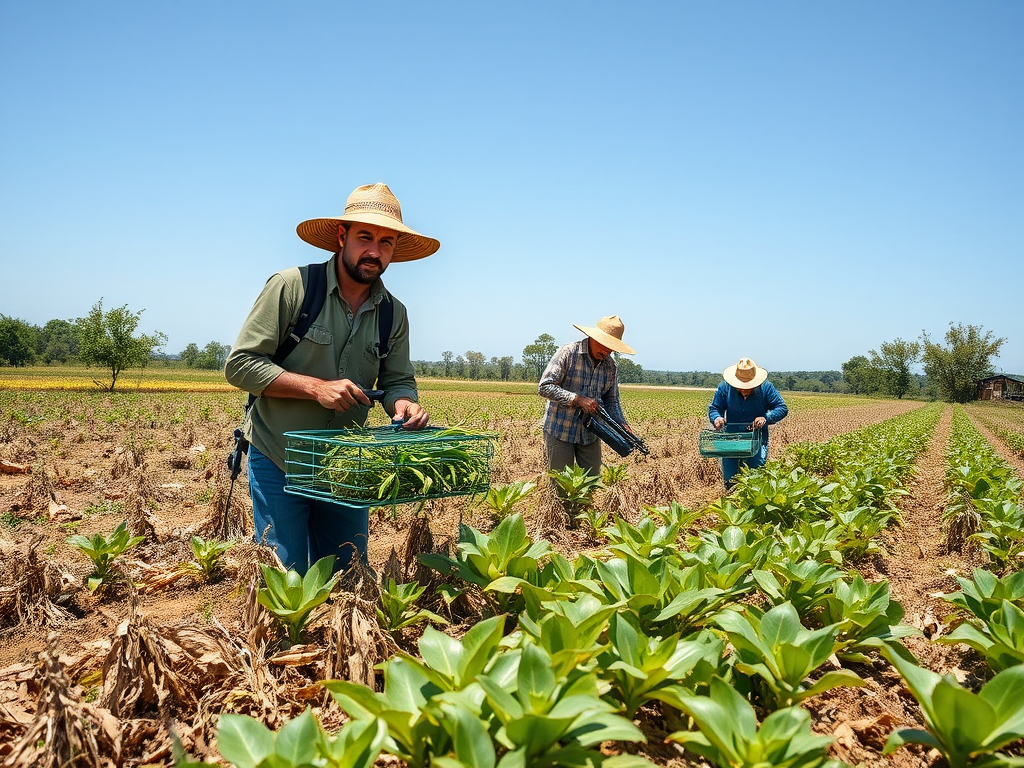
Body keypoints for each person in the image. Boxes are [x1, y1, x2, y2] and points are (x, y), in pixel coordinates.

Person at [225, 183, 437, 575]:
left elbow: (398, 380)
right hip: (278, 457)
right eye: (365, 237)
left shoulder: (394, 313)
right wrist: (315, 388)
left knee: (349, 572)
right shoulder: (293, 287)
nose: (375, 250)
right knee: (286, 576)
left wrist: (404, 402)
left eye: (387, 242)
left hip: (344, 463)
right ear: (341, 237)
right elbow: (240, 365)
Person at [538, 316, 636, 482]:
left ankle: (584, 509)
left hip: (590, 432)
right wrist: (577, 399)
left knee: (591, 482)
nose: (606, 351)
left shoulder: (610, 366)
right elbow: (545, 387)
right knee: (562, 484)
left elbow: (612, 401)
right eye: (604, 345)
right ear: (593, 337)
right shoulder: (568, 353)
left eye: (611, 348)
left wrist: (621, 423)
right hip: (560, 429)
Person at [707, 357, 788, 488]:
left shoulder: (766, 387)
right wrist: (717, 418)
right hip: (732, 438)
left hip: (756, 438)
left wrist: (765, 417)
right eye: (740, 387)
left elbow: (782, 408)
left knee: (755, 476)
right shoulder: (725, 387)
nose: (744, 390)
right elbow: (715, 408)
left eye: (748, 387)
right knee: (731, 479)